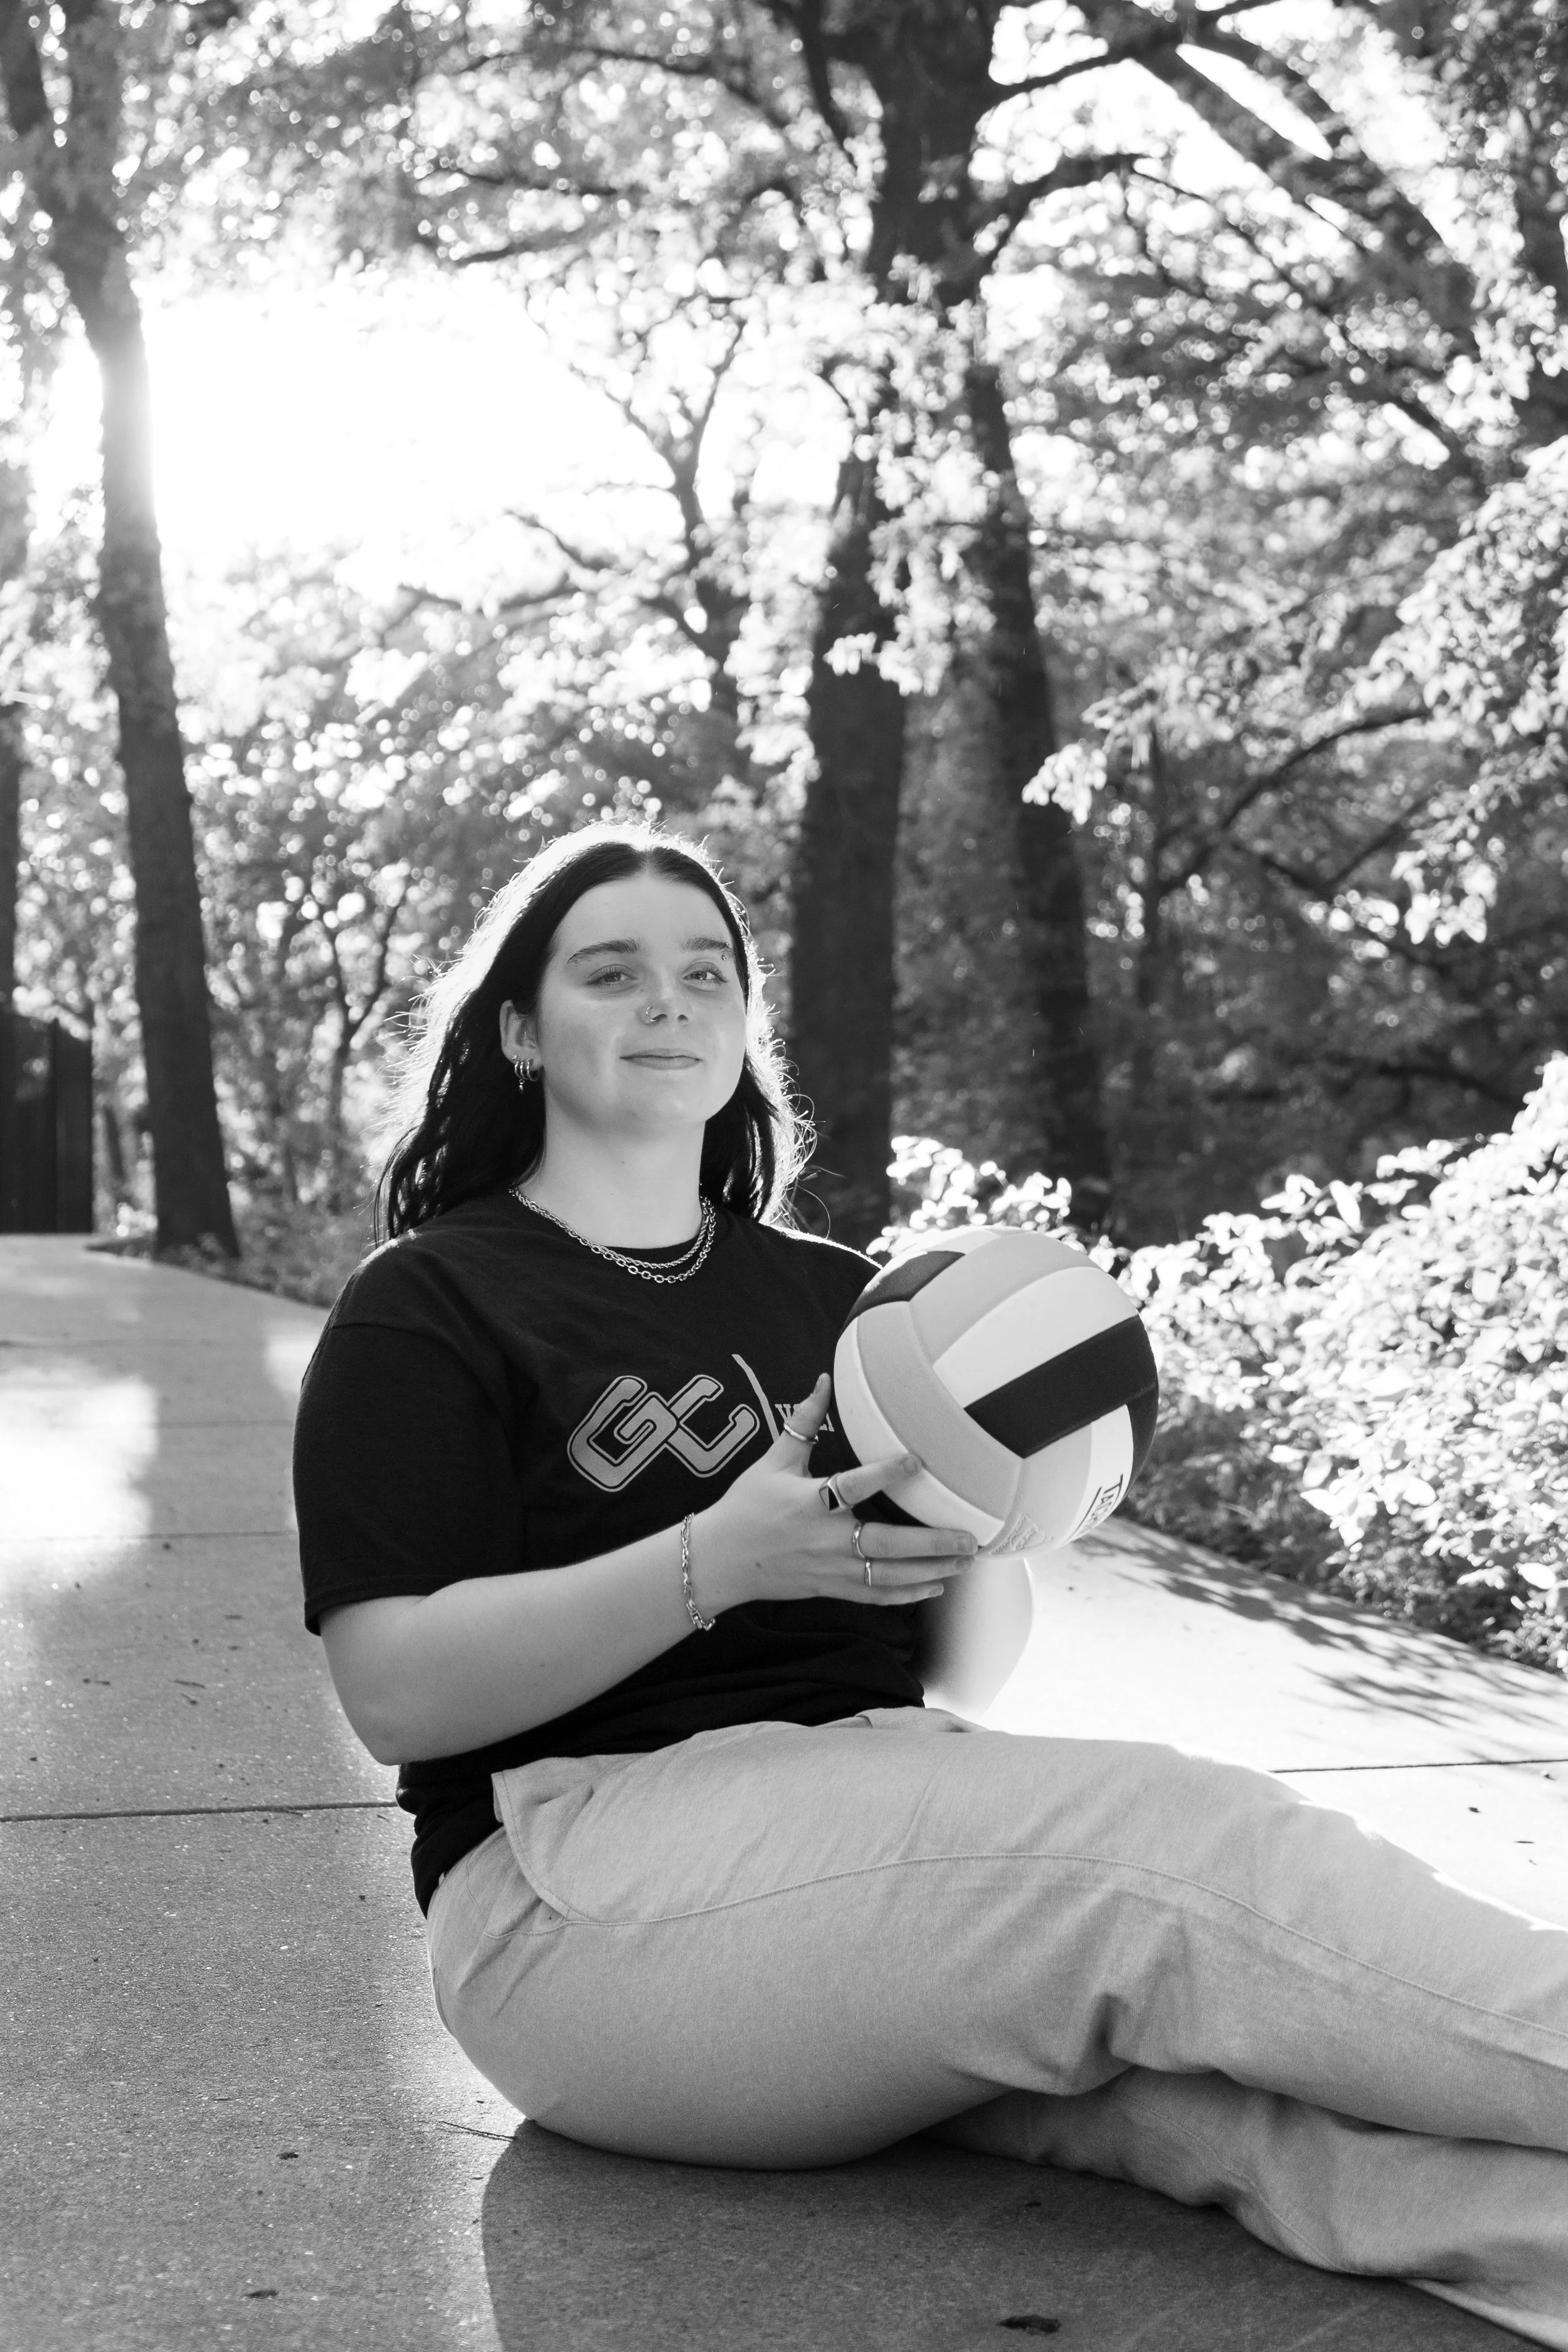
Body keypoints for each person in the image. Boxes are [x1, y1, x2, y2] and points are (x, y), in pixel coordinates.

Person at [294, 821, 1568, 2349]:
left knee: (1236, 2108)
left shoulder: (854, 1301)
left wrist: (989, 1531)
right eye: (611, 972)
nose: (667, 1002)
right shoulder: (428, 1300)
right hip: (565, 1889)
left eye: (706, 972)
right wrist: (715, 1561)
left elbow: (953, 1664)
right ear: (517, 1029)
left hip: (854, 1843)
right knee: (1153, 1851)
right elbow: (393, 1690)